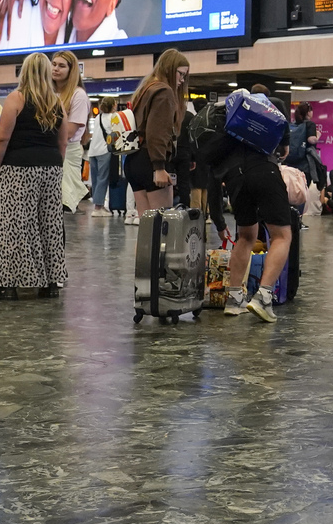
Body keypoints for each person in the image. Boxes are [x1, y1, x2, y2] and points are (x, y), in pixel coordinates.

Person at [205, 86, 292, 324]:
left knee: (246, 236)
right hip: (264, 170)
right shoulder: (267, 108)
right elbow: (281, 115)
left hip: (235, 178)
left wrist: (218, 218)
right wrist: (285, 143)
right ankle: (263, 296)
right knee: (282, 235)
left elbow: (212, 174)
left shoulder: (228, 125)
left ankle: (234, 300)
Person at [0, 53, 66, 295]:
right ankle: (51, 284)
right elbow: (63, 142)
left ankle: (9, 284)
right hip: (52, 167)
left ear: (24, 71)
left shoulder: (16, 98)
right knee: (50, 224)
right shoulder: (57, 102)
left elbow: (2, 138)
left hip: (18, 169)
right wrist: (54, 165)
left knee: (12, 225)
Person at [125, 48, 189, 220]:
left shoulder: (145, 89)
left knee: (146, 227)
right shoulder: (164, 92)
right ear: (170, 69)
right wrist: (159, 167)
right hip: (151, 162)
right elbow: (157, 132)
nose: (182, 80)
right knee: (160, 227)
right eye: (180, 74)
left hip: (134, 159)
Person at [51, 51, 90, 212]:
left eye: (61, 66)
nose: (56, 69)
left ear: (71, 70)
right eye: (53, 64)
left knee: (61, 202)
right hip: (50, 150)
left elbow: (69, 132)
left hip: (67, 151)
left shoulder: (78, 95)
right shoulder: (48, 92)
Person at [89, 96, 127, 219]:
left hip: (92, 151)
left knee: (95, 179)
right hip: (104, 150)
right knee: (102, 178)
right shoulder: (114, 117)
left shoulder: (98, 117)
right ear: (113, 105)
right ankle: (98, 208)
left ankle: (97, 204)